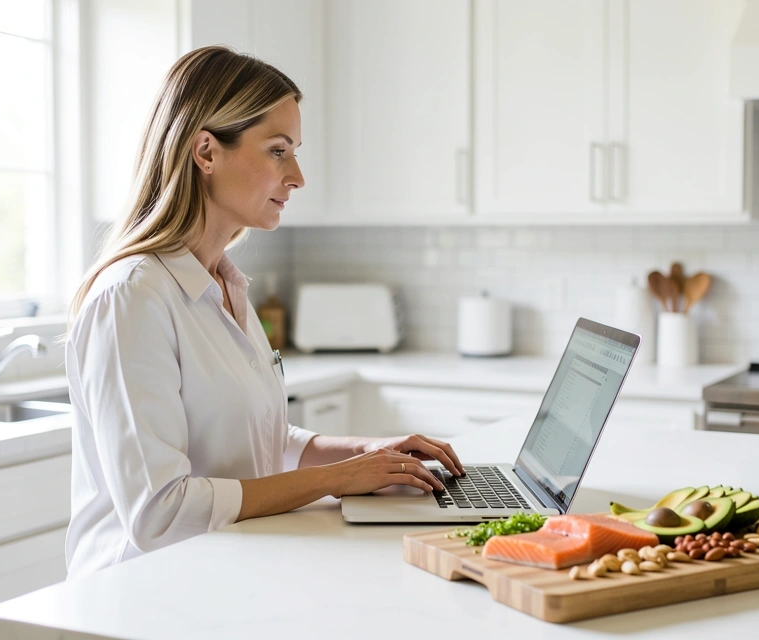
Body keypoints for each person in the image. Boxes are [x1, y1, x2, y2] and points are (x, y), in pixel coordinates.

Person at [63, 46, 465, 578]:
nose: (297, 176)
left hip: (222, 571)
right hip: (137, 593)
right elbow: (159, 512)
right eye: (278, 151)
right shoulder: (131, 298)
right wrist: (337, 480)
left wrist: (372, 453)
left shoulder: (223, 284)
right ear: (206, 151)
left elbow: (261, 444)